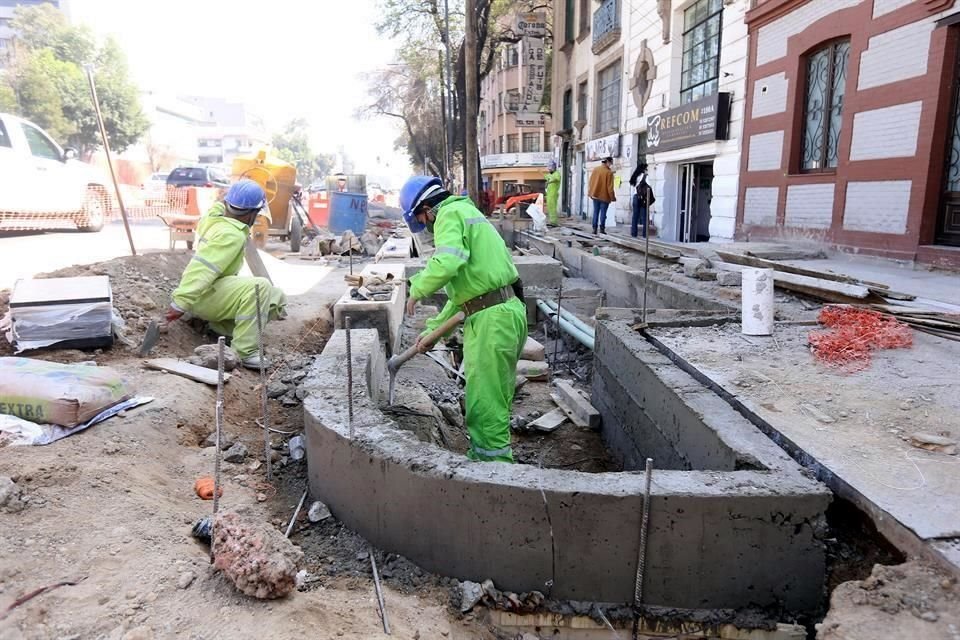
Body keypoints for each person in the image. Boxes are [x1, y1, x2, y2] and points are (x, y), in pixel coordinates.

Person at [401, 175, 527, 463]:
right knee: (494, 400)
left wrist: (416, 288)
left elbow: (447, 261)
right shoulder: (468, 212)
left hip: (491, 322)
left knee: (485, 406)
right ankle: (484, 461)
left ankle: (494, 475)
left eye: (423, 219)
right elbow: (465, 297)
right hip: (505, 311)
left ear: (427, 208)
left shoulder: (448, 214)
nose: (427, 225)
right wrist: (435, 329)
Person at [166, 179, 286, 369]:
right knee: (259, 287)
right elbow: (203, 267)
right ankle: (245, 351)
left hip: (211, 291)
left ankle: (218, 328)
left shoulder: (214, 218)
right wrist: (180, 303)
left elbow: (218, 206)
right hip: (204, 295)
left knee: (275, 297)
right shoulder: (231, 235)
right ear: (252, 214)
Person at [587, 156, 616, 234]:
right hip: (604, 196)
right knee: (603, 213)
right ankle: (602, 229)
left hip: (595, 195)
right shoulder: (609, 173)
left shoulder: (595, 169)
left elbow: (591, 182)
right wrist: (613, 197)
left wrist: (590, 192)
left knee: (596, 212)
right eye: (611, 163)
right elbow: (610, 187)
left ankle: (594, 229)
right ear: (607, 162)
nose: (611, 165)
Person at [628, 162, 655, 239]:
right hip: (643, 198)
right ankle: (645, 235)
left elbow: (632, 190)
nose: (647, 170)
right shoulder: (645, 177)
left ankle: (634, 234)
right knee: (645, 217)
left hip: (635, 197)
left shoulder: (634, 177)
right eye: (646, 169)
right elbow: (649, 187)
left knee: (635, 216)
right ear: (644, 169)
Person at [544, 161, 561, 226]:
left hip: (554, 193)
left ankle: (554, 222)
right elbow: (546, 178)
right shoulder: (549, 174)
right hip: (549, 193)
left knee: (553, 207)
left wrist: (550, 182)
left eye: (550, 168)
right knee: (550, 207)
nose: (549, 169)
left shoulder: (557, 173)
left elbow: (557, 179)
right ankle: (551, 221)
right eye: (549, 168)